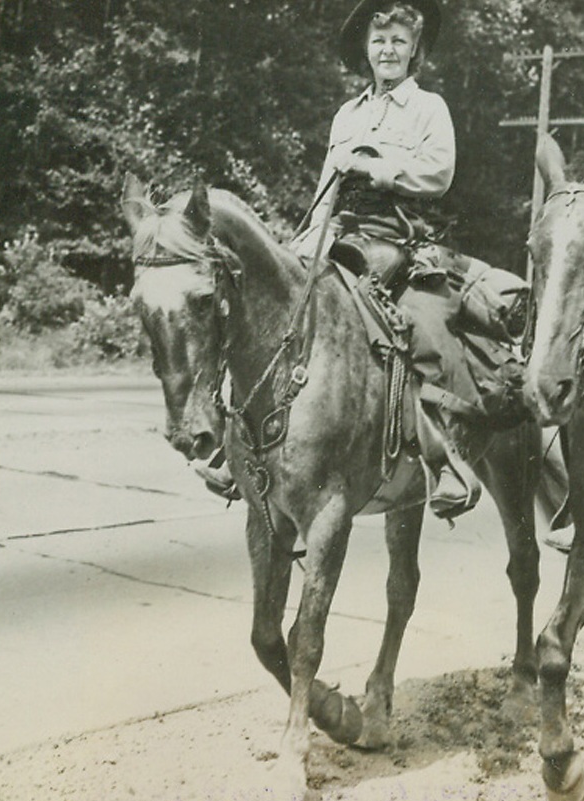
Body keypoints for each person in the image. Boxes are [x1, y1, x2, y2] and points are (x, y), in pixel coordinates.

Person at [201, 0, 486, 519]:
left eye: (399, 40)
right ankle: (233, 441)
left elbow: (439, 173)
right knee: (261, 303)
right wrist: (297, 245)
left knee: (416, 324)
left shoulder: (429, 108)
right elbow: (322, 192)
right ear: (365, 50)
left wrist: (381, 170)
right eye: (379, 42)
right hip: (332, 230)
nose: (388, 50)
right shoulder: (347, 114)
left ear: (415, 48)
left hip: (394, 233)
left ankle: (442, 459)